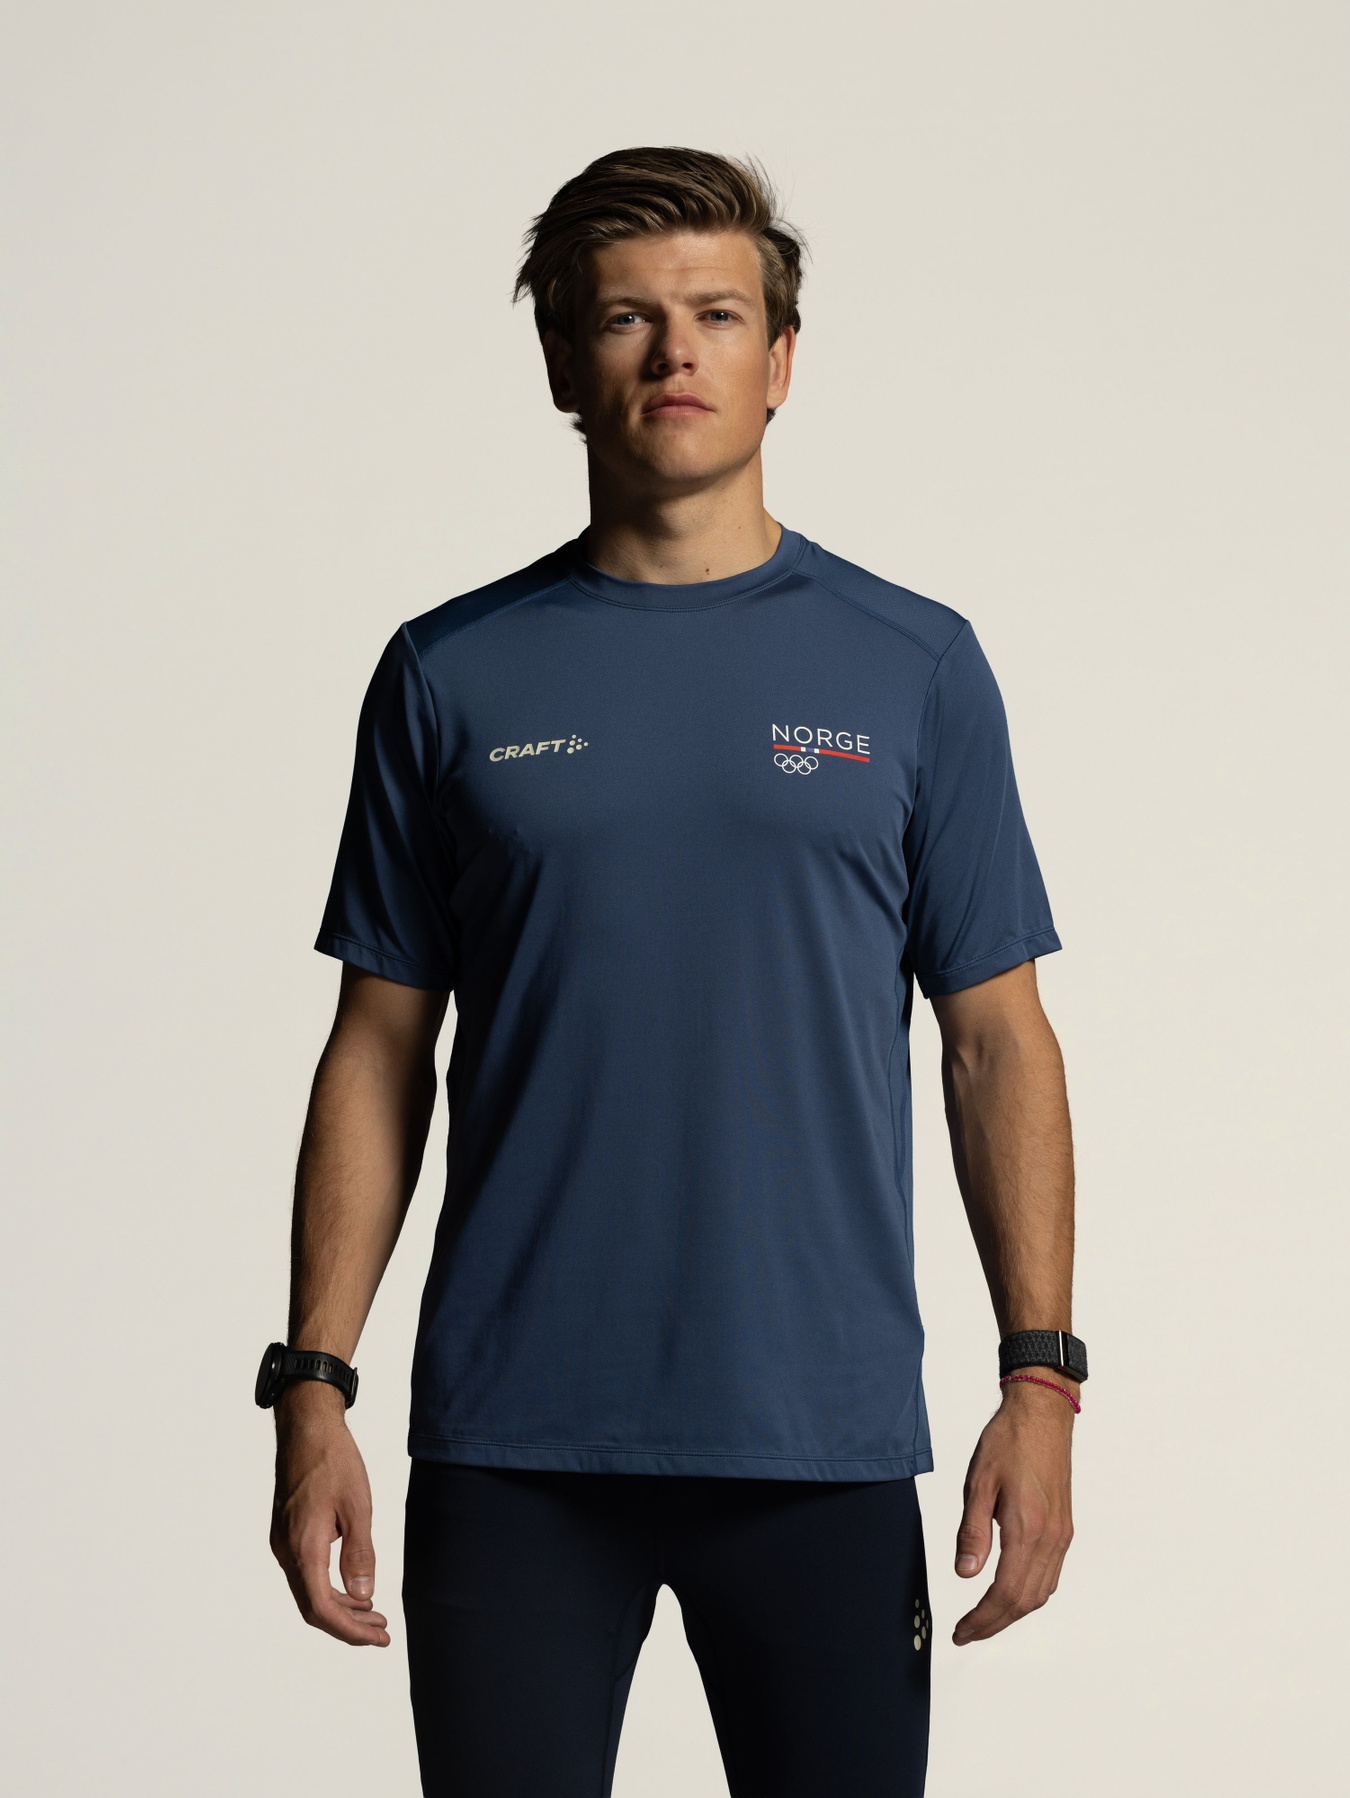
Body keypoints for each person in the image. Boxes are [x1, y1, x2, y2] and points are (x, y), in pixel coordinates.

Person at [259, 147, 1084, 1798]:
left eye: (715, 313)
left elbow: (995, 1039)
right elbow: (377, 1046)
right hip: (513, 1442)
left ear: (781, 360)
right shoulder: (449, 672)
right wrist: (311, 1385)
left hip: (816, 1436)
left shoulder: (913, 667)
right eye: (627, 317)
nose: (674, 351)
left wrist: (1041, 1375)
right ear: (563, 362)